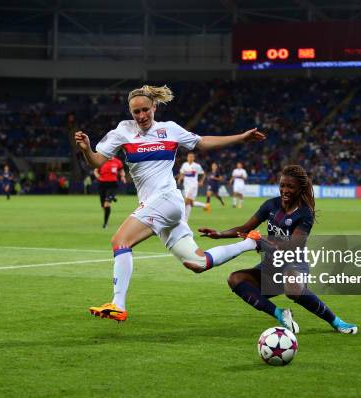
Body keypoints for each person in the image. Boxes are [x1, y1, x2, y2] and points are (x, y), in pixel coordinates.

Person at [74, 84, 266, 322]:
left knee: (120, 240)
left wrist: (241, 137)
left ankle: (118, 304)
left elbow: (203, 142)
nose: (142, 115)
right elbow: (96, 162)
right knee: (197, 262)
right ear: (130, 112)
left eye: (146, 109)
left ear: (154, 106)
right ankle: (251, 244)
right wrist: (86, 150)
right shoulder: (123, 131)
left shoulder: (170, 130)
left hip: (167, 199)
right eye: (137, 112)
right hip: (159, 206)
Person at [196, 165, 358, 334]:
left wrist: (262, 240)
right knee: (235, 279)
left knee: (292, 289)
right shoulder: (271, 205)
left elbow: (292, 245)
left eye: (290, 187)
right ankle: (279, 314)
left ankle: (336, 321)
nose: (285, 190)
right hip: (270, 266)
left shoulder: (305, 214)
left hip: (293, 266)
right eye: (282, 185)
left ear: (300, 188)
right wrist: (219, 234)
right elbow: (245, 228)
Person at [94, 156, 126, 229]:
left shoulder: (117, 162)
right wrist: (98, 176)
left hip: (112, 185)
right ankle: (112, 197)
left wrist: (122, 176)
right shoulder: (102, 161)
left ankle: (105, 224)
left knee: (106, 204)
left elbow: (121, 170)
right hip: (102, 185)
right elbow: (95, 171)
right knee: (103, 206)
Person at [177, 152, 209, 221]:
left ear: (194, 158)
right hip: (186, 186)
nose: (190, 158)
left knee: (186, 201)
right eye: (189, 157)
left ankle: (182, 219)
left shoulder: (197, 166)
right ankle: (205, 205)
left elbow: (203, 174)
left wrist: (201, 181)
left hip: (193, 186)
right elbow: (182, 173)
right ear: (187, 157)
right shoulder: (184, 165)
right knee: (190, 203)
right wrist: (180, 178)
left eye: (192, 157)